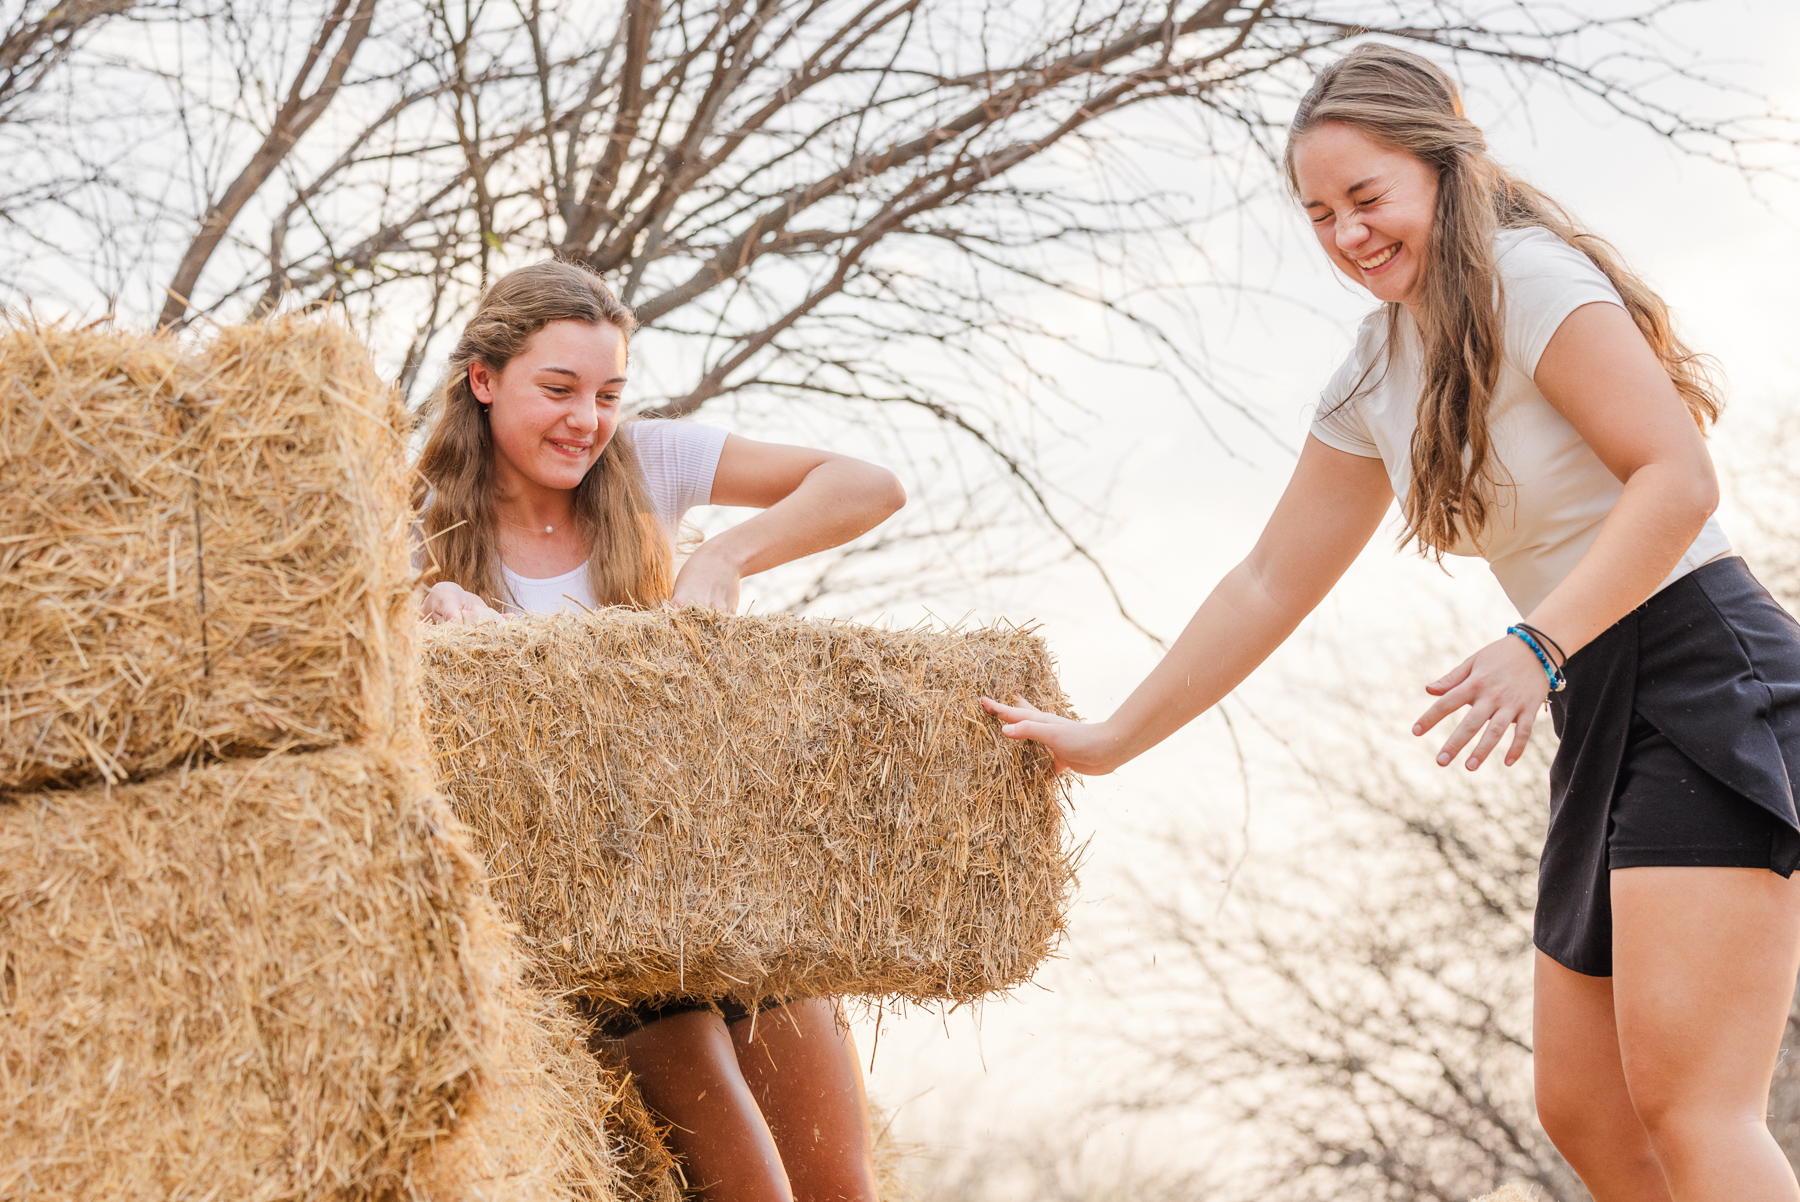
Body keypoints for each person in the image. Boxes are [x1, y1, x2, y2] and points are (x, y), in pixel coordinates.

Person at [984, 44, 1800, 1202]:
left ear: (1442, 167)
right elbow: (1268, 579)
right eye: (1319, 214)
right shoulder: (1376, 370)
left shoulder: (1534, 279)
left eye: (1367, 198)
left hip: (1704, 667)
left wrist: (1536, 643)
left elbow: (1676, 479)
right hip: (1600, 695)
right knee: (1585, 1111)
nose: (1347, 235)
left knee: (1688, 1101)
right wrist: (1110, 736)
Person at [416, 259, 905, 1202]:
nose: (585, 420)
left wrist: (727, 551)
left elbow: (869, 485)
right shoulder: (420, 529)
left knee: (840, 1188)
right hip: (601, 931)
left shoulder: (648, 464)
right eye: (556, 389)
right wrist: (430, 622)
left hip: (722, 886)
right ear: (483, 380)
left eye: (606, 393)